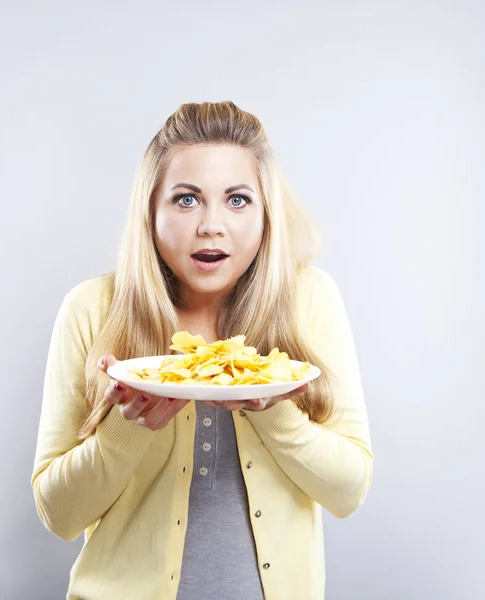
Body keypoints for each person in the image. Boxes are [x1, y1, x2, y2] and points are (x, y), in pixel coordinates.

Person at [31, 100, 373, 600]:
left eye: (237, 200)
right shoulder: (91, 309)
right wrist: (127, 425)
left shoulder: (309, 300)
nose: (211, 225)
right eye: (186, 199)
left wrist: (274, 411)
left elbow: (349, 492)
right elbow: (58, 515)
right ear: (151, 209)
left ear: (265, 213)